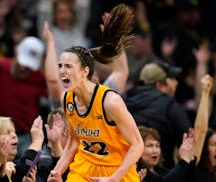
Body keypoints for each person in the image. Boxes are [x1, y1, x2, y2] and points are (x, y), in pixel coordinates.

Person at [46, 4, 144, 182]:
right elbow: (74, 141)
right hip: (84, 167)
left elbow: (138, 145)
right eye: (60, 66)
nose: (61, 71)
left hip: (116, 169)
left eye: (68, 66)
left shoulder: (110, 102)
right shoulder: (67, 99)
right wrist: (58, 170)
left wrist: (113, 179)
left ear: (85, 71)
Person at [0, 36, 48, 157]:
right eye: (22, 61)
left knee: (32, 166)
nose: (24, 67)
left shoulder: (39, 78)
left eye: (29, 65)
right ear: (16, 52)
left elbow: (58, 93)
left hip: (23, 137)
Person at [125, 60, 192, 168]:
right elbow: (188, 142)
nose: (176, 82)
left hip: (128, 170)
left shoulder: (124, 101)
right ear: (159, 85)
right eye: (171, 79)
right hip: (162, 171)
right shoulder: (171, 106)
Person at [0, 116, 44, 181]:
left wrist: (37, 140)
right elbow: (22, 170)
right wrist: (37, 141)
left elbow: (23, 168)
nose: (14, 135)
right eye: (7, 133)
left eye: (14, 131)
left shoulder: (14, 166)